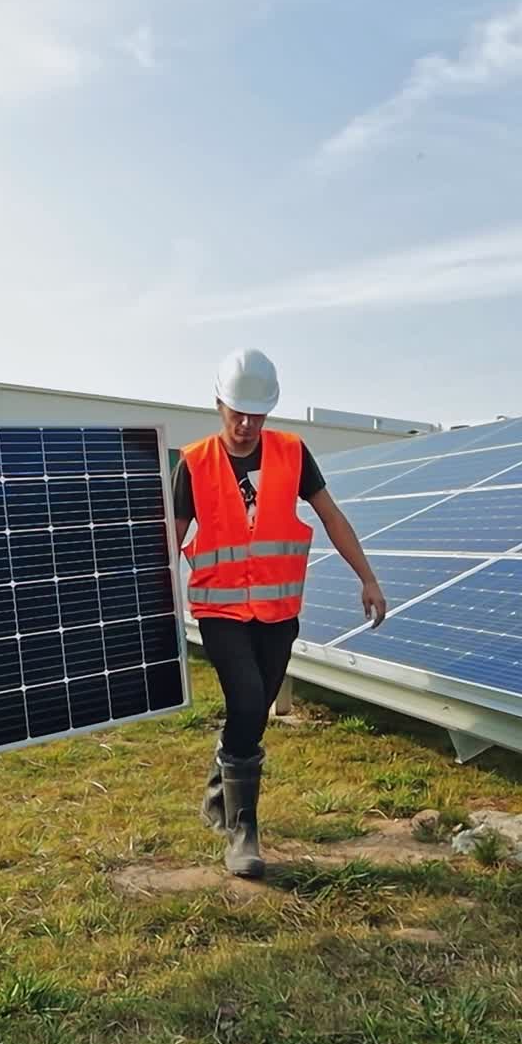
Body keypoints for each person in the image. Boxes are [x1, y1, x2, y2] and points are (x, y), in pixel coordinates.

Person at [173, 348, 387, 880]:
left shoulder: (292, 453)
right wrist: (137, 600)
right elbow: (169, 540)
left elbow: (331, 516)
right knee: (245, 700)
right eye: (236, 412)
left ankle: (221, 784)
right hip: (220, 610)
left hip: (277, 611)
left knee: (256, 710)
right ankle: (242, 831)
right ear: (218, 403)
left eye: (257, 414)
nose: (246, 425)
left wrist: (368, 576)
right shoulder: (194, 462)